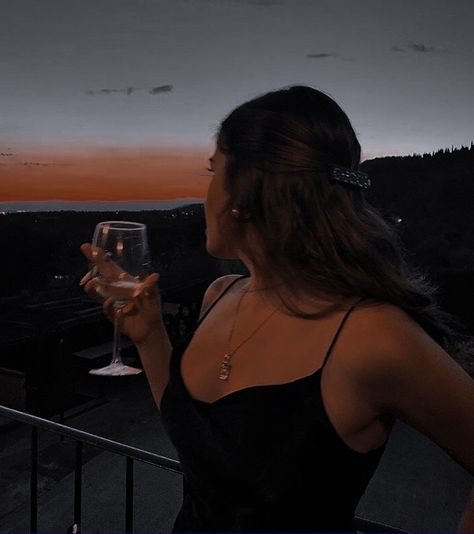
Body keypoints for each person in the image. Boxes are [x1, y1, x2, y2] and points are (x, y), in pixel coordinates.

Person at [81, 85, 474, 533]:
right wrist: (150, 336)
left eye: (213, 171)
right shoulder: (220, 294)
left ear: (247, 193)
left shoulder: (371, 335)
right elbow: (202, 442)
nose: (205, 193)